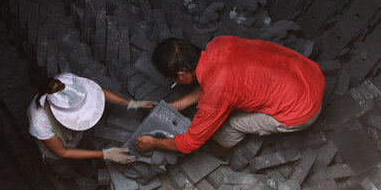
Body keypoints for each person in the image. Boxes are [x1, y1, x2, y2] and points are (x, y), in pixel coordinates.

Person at [135, 36, 325, 157]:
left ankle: (220, 154)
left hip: (302, 112)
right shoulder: (219, 43)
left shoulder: (215, 95)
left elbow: (190, 143)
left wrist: (154, 143)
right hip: (310, 74)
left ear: (182, 74)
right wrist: (177, 105)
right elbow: (214, 82)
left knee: (229, 126)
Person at [28, 72, 152, 188]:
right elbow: (63, 152)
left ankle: (81, 163)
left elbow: (98, 92)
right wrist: (105, 154)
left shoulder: (68, 82)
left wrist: (129, 103)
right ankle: (66, 177)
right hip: (57, 151)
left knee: (80, 148)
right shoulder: (39, 122)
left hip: (74, 137)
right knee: (63, 167)